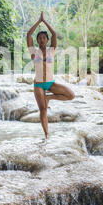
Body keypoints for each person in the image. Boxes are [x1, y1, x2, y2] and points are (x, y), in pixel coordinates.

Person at [27, 11, 75, 139]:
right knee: (43, 110)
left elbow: (54, 34)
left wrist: (45, 21)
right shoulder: (34, 52)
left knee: (71, 95)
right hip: (38, 85)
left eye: (44, 38)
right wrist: (38, 21)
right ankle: (47, 134)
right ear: (37, 40)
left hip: (51, 83)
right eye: (40, 38)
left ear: (47, 40)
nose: (42, 40)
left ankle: (49, 98)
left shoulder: (51, 51)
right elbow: (29, 34)